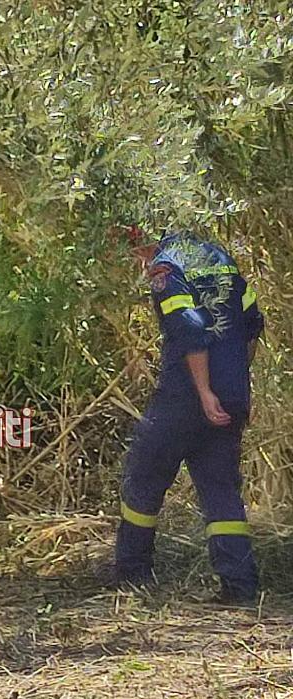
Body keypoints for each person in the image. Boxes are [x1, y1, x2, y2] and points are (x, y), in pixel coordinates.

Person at [110, 227, 264, 605]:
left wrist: (204, 391)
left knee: (144, 475)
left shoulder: (167, 265)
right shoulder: (221, 259)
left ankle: (133, 575)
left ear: (141, 235)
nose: (136, 259)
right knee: (221, 490)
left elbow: (189, 329)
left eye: (131, 248)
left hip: (185, 395)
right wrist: (233, 387)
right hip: (229, 394)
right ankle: (240, 587)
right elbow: (252, 326)